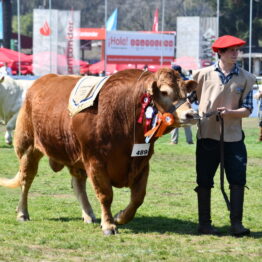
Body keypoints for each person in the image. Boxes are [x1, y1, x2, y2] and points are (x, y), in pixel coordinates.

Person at [190, 35, 256, 236]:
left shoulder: (247, 78)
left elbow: (248, 109)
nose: (236, 54)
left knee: (237, 180)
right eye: (231, 51)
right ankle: (204, 224)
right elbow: (188, 99)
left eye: (237, 50)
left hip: (234, 138)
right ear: (219, 53)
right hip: (207, 136)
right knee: (204, 180)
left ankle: (236, 225)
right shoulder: (201, 75)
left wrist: (231, 114)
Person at [170, 64, 194, 144]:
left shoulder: (174, 80)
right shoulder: (186, 79)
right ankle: (189, 140)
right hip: (185, 102)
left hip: (177, 102)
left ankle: (174, 141)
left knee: (174, 121)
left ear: (176, 71)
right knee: (187, 121)